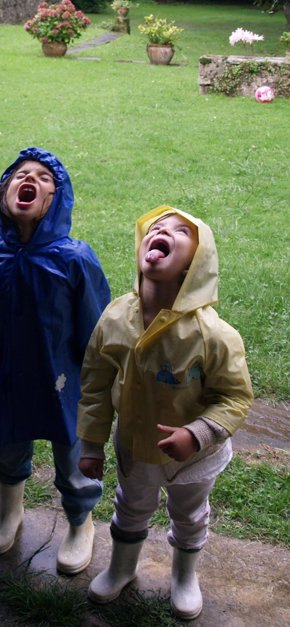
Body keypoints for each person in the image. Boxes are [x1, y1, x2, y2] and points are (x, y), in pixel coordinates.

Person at [77, 205, 253, 619]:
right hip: (135, 447)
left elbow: (235, 397)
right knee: (130, 506)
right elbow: (96, 382)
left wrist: (198, 434)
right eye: (156, 227)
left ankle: (184, 575)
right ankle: (122, 567)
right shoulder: (115, 317)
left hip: (195, 458)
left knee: (189, 514)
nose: (163, 230)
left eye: (180, 231)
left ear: (196, 262)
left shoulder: (214, 336)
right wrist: (91, 442)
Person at [0, 147, 111, 574]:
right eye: (20, 174)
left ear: (57, 198)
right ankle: (10, 511)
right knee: (9, 443)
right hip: (12, 375)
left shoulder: (75, 258)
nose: (29, 179)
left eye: (44, 177)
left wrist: (100, 374)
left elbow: (96, 321)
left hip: (67, 380)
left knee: (73, 453)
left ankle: (80, 522)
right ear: (5, 191)